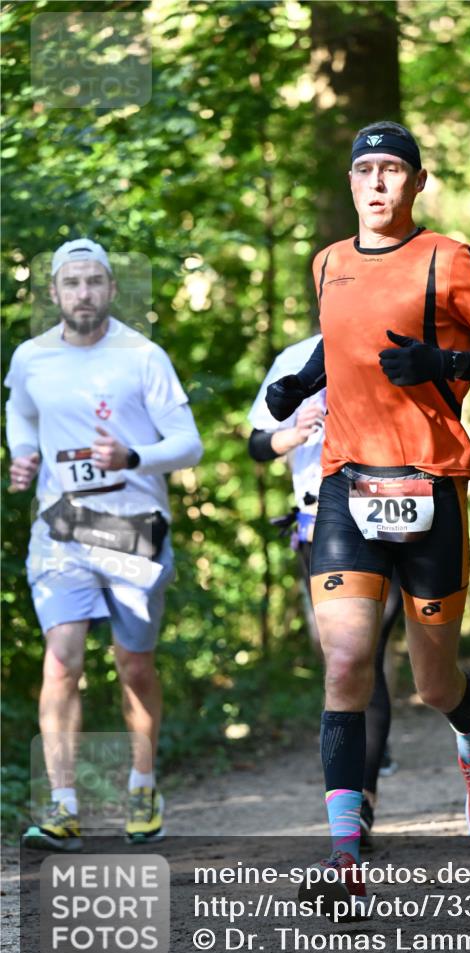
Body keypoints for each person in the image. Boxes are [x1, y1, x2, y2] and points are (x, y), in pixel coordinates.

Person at [266, 121, 470, 915]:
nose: (378, 182)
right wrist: (302, 385)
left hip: (430, 487)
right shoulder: (325, 263)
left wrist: (447, 363)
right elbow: (343, 341)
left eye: (393, 169)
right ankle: (346, 858)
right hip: (345, 488)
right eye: (365, 170)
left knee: (431, 682)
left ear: (416, 182)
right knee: (346, 661)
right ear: (351, 183)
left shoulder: (449, 260)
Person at [5, 238, 203, 850]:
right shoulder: (31, 357)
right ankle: (62, 805)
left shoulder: (142, 356)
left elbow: (189, 444)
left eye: (95, 282)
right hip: (62, 528)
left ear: (112, 290)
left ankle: (142, 783)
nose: (84, 293)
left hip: (132, 531)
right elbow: (20, 412)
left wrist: (133, 455)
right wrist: (22, 455)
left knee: (132, 664)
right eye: (72, 283)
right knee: (62, 657)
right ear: (56, 293)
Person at [248, 335, 403, 845]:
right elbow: (256, 442)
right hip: (316, 527)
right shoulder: (293, 359)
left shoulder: (389, 341)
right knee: (337, 658)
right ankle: (355, 782)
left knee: (365, 657)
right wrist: (291, 436)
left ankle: (361, 803)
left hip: (384, 518)